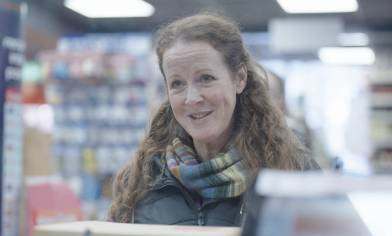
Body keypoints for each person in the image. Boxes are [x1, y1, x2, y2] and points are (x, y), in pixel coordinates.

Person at [107, 12, 319, 226]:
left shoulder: (291, 172)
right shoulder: (142, 177)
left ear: (239, 78)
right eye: (177, 84)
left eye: (206, 78)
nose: (192, 98)